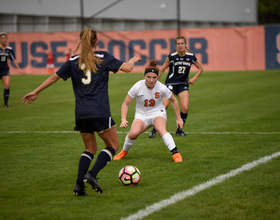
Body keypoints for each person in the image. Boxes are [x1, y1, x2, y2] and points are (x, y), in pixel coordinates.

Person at [21, 28, 141, 196]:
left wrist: (36, 91)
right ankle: (92, 174)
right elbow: (128, 68)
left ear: (81, 40)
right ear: (96, 41)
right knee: (112, 145)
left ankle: (79, 185)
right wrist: (133, 59)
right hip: (99, 110)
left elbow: (54, 77)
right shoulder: (103, 57)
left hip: (81, 113)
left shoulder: (72, 61)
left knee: (90, 148)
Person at [113, 60, 184, 163]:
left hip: (158, 113)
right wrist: (123, 119)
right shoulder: (138, 86)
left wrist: (179, 118)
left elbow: (173, 100)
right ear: (144, 76)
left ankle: (176, 153)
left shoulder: (161, 87)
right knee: (133, 133)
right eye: (148, 77)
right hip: (141, 115)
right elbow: (125, 104)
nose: (151, 80)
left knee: (160, 129)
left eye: (154, 77)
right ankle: (124, 151)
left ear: (157, 77)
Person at [149, 36, 203, 138]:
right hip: (171, 84)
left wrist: (194, 78)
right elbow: (162, 69)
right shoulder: (171, 56)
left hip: (183, 85)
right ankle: (154, 129)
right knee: (164, 107)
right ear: (176, 45)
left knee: (185, 108)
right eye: (178, 44)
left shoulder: (191, 56)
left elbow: (200, 68)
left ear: (185, 44)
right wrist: (154, 80)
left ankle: (179, 130)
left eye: (182, 43)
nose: (180, 45)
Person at [0, 32, 21, 108]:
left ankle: (6, 104)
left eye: (5, 38)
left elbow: (13, 59)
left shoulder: (9, 49)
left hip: (5, 70)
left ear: (6, 39)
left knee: (7, 86)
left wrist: (18, 69)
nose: (3, 40)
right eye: (2, 38)